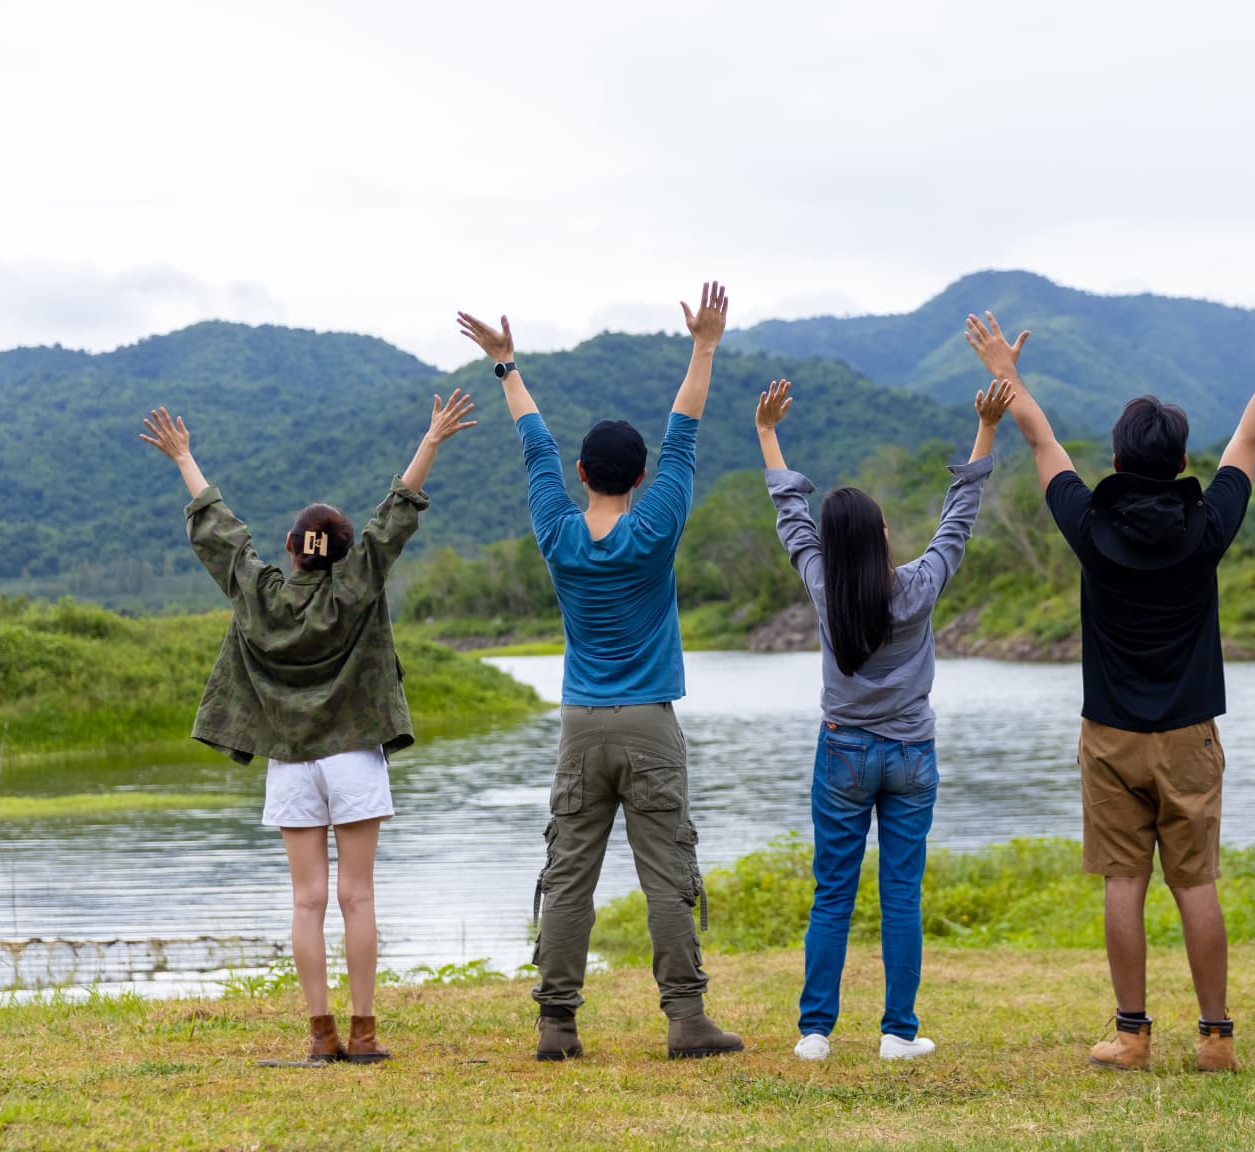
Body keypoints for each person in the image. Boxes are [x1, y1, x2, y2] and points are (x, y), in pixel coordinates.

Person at [966, 300, 1255, 1073]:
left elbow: (1041, 437)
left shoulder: (1090, 525)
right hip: (1190, 733)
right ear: (1182, 461)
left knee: (1123, 881)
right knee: (1196, 885)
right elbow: (1251, 435)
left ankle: (1131, 1035)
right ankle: (1216, 1041)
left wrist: (1005, 371)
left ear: (1120, 464)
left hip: (1111, 734)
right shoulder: (1208, 525)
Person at [139, 390, 478, 1065]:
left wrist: (184, 458)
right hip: (353, 758)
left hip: (291, 763)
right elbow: (394, 518)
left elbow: (221, 534)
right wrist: (433, 439)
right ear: (343, 555)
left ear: (292, 552)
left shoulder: (260, 595)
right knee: (357, 896)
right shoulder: (357, 587)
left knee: (308, 901)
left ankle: (319, 1036)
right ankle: (365, 1032)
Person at [457, 283, 744, 1062]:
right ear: (643, 476)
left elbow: (533, 445)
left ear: (583, 472)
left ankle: (556, 1025)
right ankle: (686, 1021)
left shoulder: (556, 529)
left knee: (570, 873)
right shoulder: (656, 524)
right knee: (666, 874)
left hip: (580, 723)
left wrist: (506, 364)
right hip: (651, 721)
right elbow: (684, 429)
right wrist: (705, 343)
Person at [754, 375, 1015, 1062]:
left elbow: (791, 514)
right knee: (901, 895)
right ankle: (898, 1032)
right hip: (910, 755)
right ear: (881, 534)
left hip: (842, 754)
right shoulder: (921, 587)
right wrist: (985, 427)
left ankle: (815, 1032)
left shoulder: (821, 587)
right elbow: (960, 513)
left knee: (832, 894)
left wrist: (767, 432)